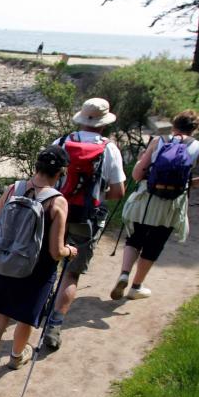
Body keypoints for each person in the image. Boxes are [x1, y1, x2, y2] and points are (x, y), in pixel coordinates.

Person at [0, 146, 77, 397]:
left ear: (36, 166)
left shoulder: (12, 189)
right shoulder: (57, 201)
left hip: (0, 267)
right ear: (62, 172)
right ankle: (17, 357)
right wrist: (70, 251)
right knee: (26, 320)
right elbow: (55, 251)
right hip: (34, 274)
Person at [110, 110, 199, 300]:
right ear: (195, 129)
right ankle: (136, 287)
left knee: (135, 238)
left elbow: (137, 175)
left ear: (174, 125)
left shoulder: (159, 141)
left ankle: (124, 274)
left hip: (147, 199)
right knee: (155, 244)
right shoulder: (197, 146)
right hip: (172, 204)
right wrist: (190, 183)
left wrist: (141, 161)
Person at [45, 98, 127, 350]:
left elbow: (44, 180)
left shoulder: (60, 143)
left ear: (81, 118)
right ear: (103, 125)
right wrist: (96, 197)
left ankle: (39, 307)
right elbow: (118, 192)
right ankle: (55, 325)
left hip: (55, 210)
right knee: (71, 272)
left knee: (48, 263)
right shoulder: (109, 149)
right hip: (86, 218)